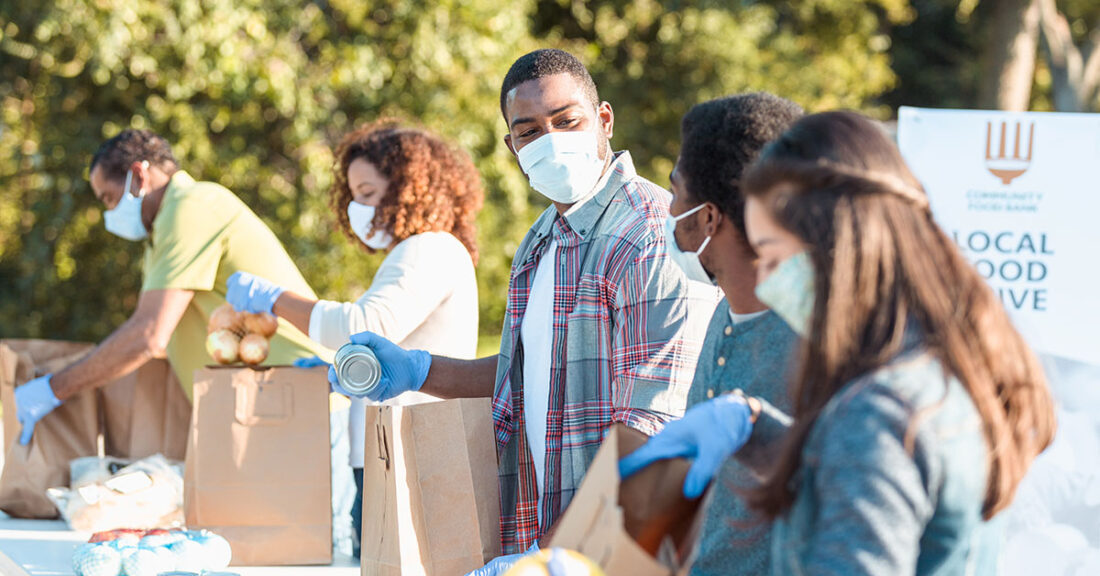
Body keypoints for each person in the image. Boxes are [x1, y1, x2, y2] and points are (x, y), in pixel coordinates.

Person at [326, 48, 720, 565]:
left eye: (567, 121)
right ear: (511, 145)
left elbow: (651, 435)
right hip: (549, 535)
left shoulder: (649, 237)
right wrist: (421, 371)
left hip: (621, 550)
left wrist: (544, 554)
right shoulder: (542, 240)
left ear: (603, 119)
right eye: (530, 131)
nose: (551, 141)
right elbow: (525, 374)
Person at [621, 111, 1056, 574]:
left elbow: (869, 455)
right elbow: (868, 474)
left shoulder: (880, 410)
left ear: (836, 245)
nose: (765, 280)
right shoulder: (938, 366)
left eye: (772, 255)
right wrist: (755, 429)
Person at [225, 121, 483, 557]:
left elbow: (366, 324)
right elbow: (391, 346)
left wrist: (274, 299)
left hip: (413, 455)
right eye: (354, 196)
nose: (357, 208)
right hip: (392, 452)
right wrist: (343, 374)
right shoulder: (418, 252)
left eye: (366, 193)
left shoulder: (429, 249)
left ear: (407, 186)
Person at [15, 129, 323, 444]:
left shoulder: (191, 206)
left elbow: (148, 334)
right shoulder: (160, 232)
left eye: (109, 198)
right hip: (263, 409)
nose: (110, 214)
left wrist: (52, 389)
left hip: (298, 400)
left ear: (138, 175)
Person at [662, 92, 803, 576]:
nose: (667, 209)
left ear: (707, 217)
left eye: (675, 191)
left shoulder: (815, 346)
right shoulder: (724, 314)